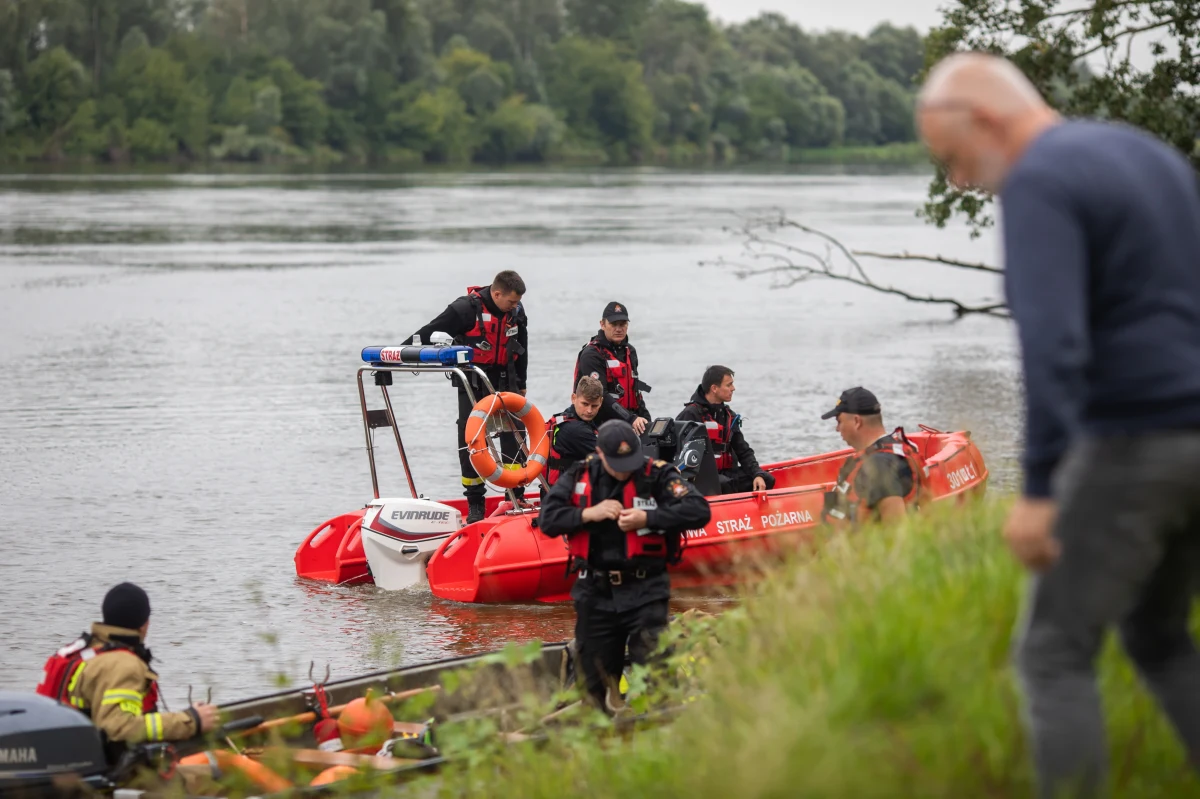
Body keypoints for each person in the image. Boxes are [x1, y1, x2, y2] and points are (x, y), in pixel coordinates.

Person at [917, 52, 1200, 798]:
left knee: (1052, 654)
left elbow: (1054, 346)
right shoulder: (1148, 154)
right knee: (1157, 634)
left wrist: (1040, 488)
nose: (960, 181)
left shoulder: (1038, 178)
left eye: (954, 157)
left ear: (985, 120)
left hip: (1136, 440)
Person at [538, 420, 711, 712]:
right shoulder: (580, 474)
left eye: (629, 462)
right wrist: (587, 514)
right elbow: (548, 519)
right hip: (595, 591)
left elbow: (698, 510)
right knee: (593, 685)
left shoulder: (658, 474)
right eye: (617, 465)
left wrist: (649, 518)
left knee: (657, 679)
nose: (624, 470)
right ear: (600, 454)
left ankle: (657, 724)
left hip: (645, 588)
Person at [36, 583, 218, 762]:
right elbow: (119, 727)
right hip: (112, 772)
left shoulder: (82, 653)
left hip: (64, 760)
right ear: (144, 624)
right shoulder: (124, 664)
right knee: (220, 766)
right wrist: (191, 721)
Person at [408, 271, 529, 522]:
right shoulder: (465, 309)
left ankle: (515, 495)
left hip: (506, 380)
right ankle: (475, 502)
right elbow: (428, 332)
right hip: (472, 380)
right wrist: (398, 353)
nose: (515, 306)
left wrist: (522, 383)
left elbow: (522, 347)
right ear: (497, 294)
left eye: (517, 302)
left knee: (515, 432)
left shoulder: (516, 312)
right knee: (470, 436)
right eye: (511, 301)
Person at [819, 387, 925, 526]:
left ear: (857, 422)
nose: (837, 429)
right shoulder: (887, 453)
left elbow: (897, 529)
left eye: (839, 421)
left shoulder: (879, 466)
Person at [676, 365, 775, 495]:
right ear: (714, 388)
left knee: (767, 479)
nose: (733, 388)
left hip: (727, 474)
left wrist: (757, 474)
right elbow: (677, 455)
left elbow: (743, 451)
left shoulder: (729, 416)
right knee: (724, 483)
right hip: (699, 478)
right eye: (729, 385)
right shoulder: (690, 414)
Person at [574, 302, 651, 434]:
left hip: (627, 421)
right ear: (602, 324)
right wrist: (631, 419)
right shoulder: (592, 355)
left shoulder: (630, 351)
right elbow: (599, 395)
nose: (618, 329)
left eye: (622, 324)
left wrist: (647, 421)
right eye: (614, 324)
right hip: (599, 424)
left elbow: (635, 390)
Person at [544, 375, 605, 488]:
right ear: (573, 398)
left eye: (594, 406)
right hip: (564, 494)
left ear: (601, 402)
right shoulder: (574, 430)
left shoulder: (571, 417)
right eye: (585, 404)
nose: (589, 411)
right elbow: (609, 456)